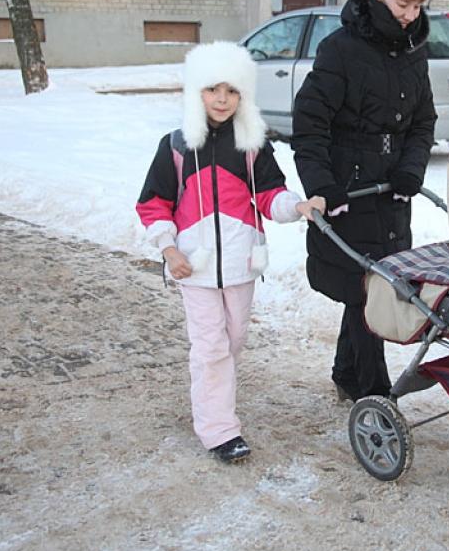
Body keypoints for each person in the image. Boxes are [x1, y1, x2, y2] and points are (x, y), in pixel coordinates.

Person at [136, 41, 325, 463]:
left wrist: (296, 206)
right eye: (212, 89)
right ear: (195, 92)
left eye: (232, 90)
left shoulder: (252, 146)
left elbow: (270, 195)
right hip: (194, 268)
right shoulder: (176, 146)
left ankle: (210, 402)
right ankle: (219, 430)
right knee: (211, 348)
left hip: (241, 265)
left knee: (233, 341)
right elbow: (153, 203)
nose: (222, 99)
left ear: (243, 95)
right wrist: (169, 250)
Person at [291, 0, 437, 403]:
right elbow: (310, 123)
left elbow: (422, 120)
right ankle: (374, 395)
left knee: (374, 286)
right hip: (348, 190)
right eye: (402, 5)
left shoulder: (414, 50)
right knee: (368, 290)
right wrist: (323, 187)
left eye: (417, 6)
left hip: (392, 191)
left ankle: (345, 374)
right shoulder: (341, 50)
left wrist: (411, 169)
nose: (411, 15)